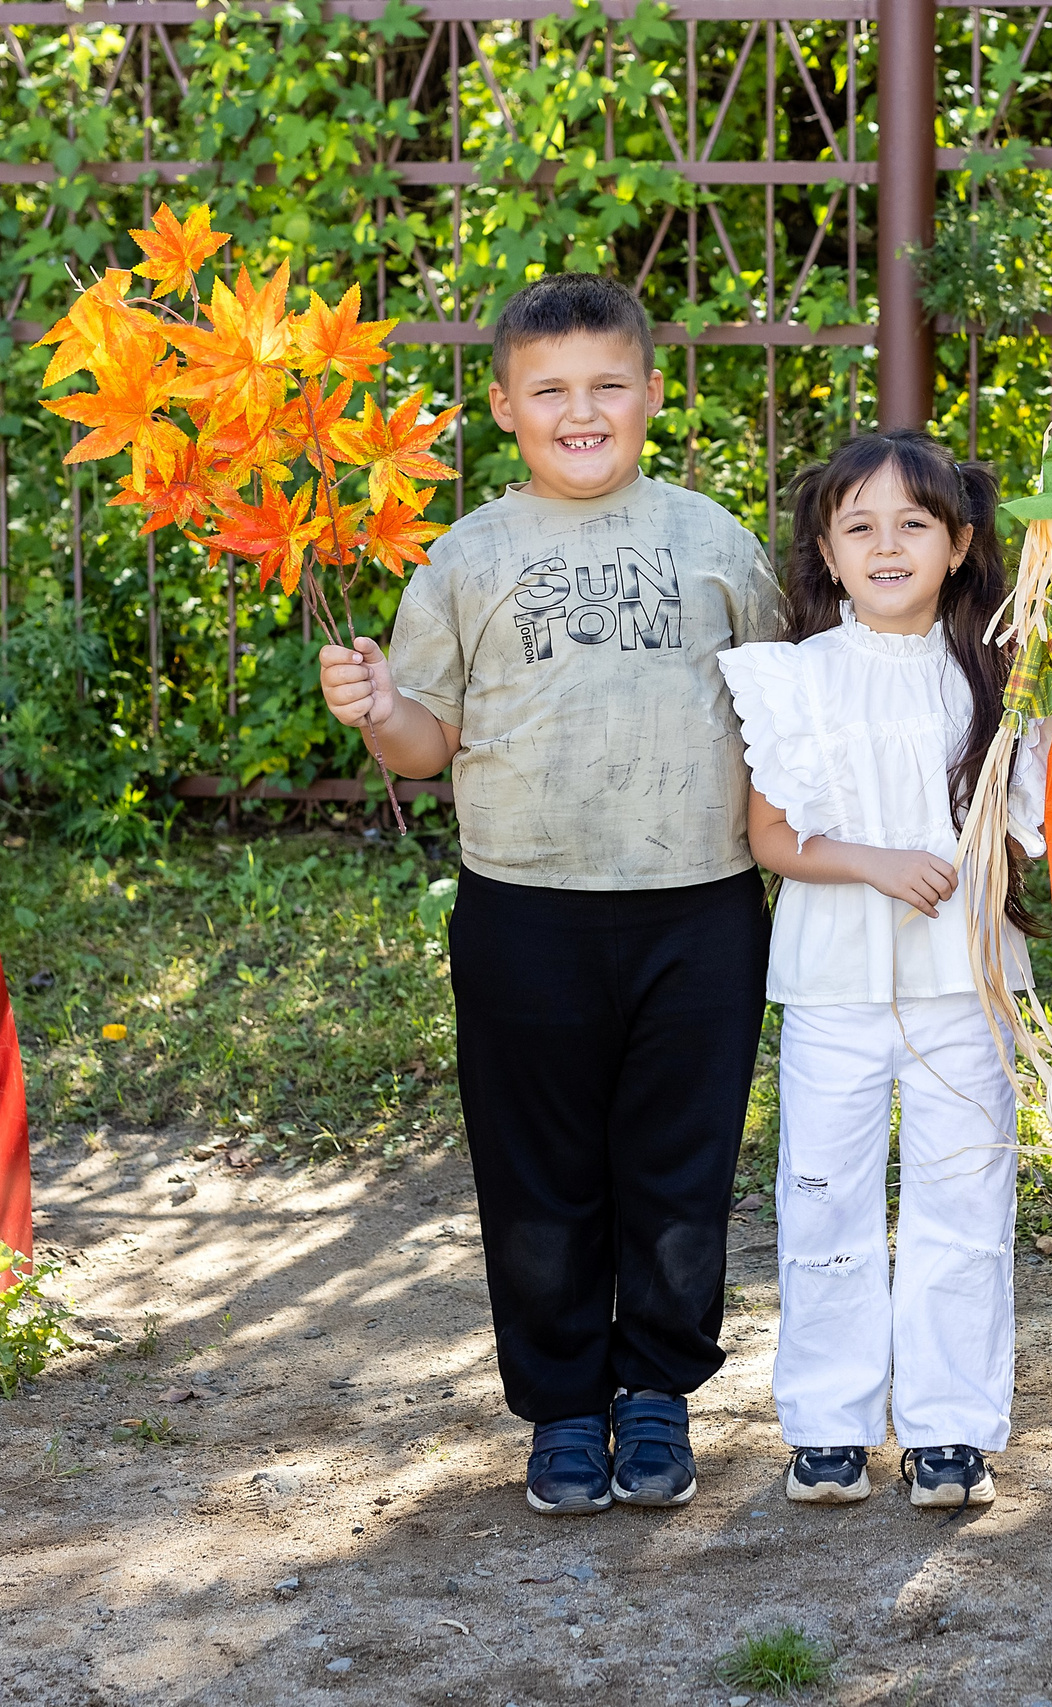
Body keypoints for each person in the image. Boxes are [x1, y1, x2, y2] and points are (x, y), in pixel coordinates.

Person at [316, 273, 783, 1515]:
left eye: (607, 386)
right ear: (503, 406)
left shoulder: (713, 542)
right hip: (525, 909)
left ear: (652, 393)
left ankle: (657, 1392)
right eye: (551, 391)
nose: (582, 412)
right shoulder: (466, 557)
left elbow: (785, 714)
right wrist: (378, 709)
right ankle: (565, 1408)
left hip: (699, 905)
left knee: (679, 1166)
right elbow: (424, 744)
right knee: (538, 1169)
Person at [716, 432, 1046, 1511]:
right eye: (859, 525)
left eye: (914, 523)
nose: (887, 544)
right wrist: (874, 862)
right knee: (825, 1202)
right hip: (833, 986)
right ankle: (829, 1424)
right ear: (828, 550)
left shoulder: (1001, 677)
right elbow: (772, 837)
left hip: (965, 989)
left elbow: (1046, 823)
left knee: (965, 1203)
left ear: (959, 544)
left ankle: (950, 1429)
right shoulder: (797, 678)